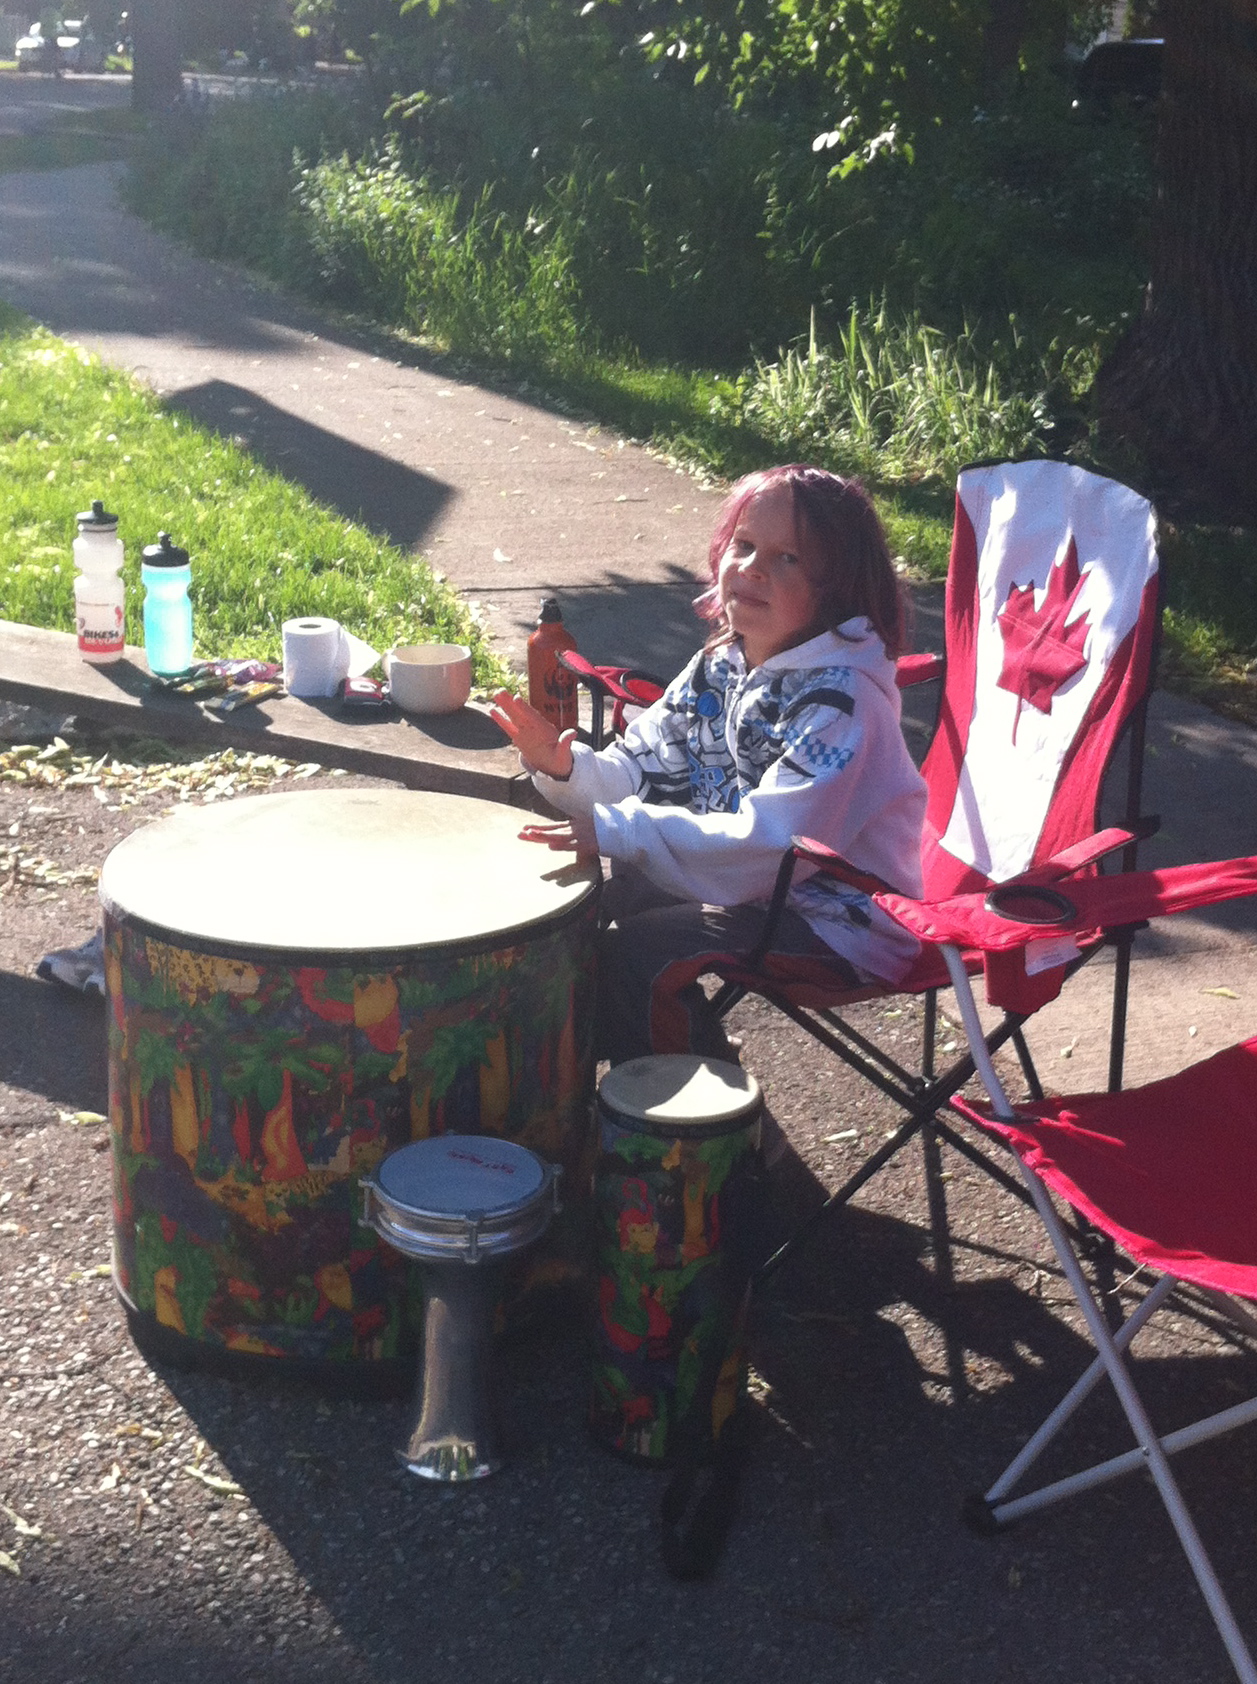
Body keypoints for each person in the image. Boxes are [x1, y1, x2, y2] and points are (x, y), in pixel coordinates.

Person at [489, 463, 927, 1069]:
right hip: (758, 890)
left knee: (637, 954)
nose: (751, 568)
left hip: (840, 918)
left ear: (839, 586)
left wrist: (619, 830)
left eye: (787, 559)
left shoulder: (842, 706)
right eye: (744, 546)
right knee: (582, 908)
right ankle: (651, 1071)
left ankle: (702, 1145)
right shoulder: (721, 663)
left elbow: (775, 847)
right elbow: (642, 769)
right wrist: (566, 769)